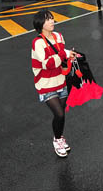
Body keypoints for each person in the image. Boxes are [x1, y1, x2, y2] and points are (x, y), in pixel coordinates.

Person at [31, 9, 77, 158]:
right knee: (59, 113)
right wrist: (64, 54)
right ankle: (57, 140)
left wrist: (71, 56)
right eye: (48, 19)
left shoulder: (58, 36)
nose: (52, 21)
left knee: (61, 115)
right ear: (40, 24)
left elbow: (61, 59)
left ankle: (59, 137)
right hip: (45, 83)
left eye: (52, 18)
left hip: (61, 80)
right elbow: (48, 63)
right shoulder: (37, 42)